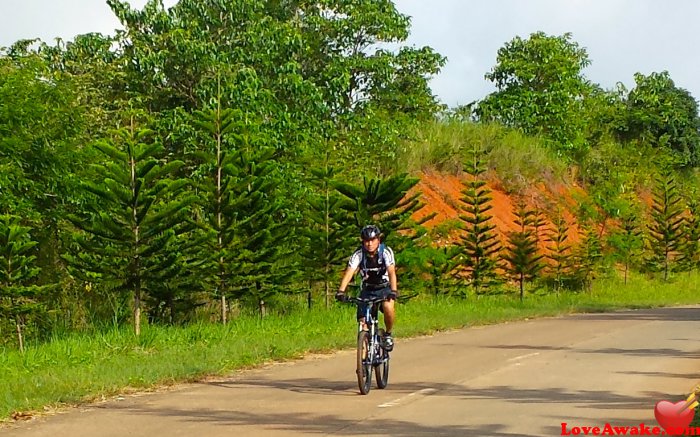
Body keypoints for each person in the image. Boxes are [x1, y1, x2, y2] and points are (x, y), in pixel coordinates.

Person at [335, 224, 398, 351]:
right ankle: (363, 363)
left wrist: (393, 290)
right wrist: (341, 291)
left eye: (372, 240)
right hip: (367, 289)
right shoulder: (358, 254)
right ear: (363, 242)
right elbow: (349, 272)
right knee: (363, 323)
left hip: (384, 287)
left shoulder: (386, 252)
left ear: (378, 240)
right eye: (366, 241)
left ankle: (388, 334)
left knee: (388, 307)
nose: (369, 244)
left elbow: (391, 272)